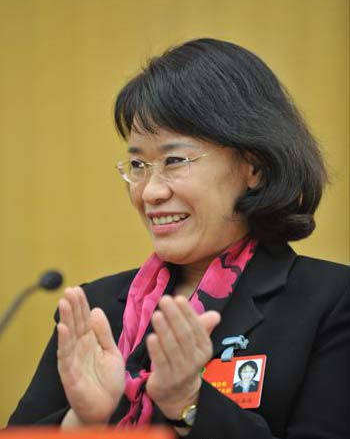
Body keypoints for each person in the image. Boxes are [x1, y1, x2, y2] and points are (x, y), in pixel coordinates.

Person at [8, 38, 350, 438]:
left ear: (253, 167)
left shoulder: (330, 302)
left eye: (174, 161)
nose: (150, 192)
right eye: (137, 164)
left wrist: (189, 402)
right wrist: (81, 422)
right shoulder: (96, 313)